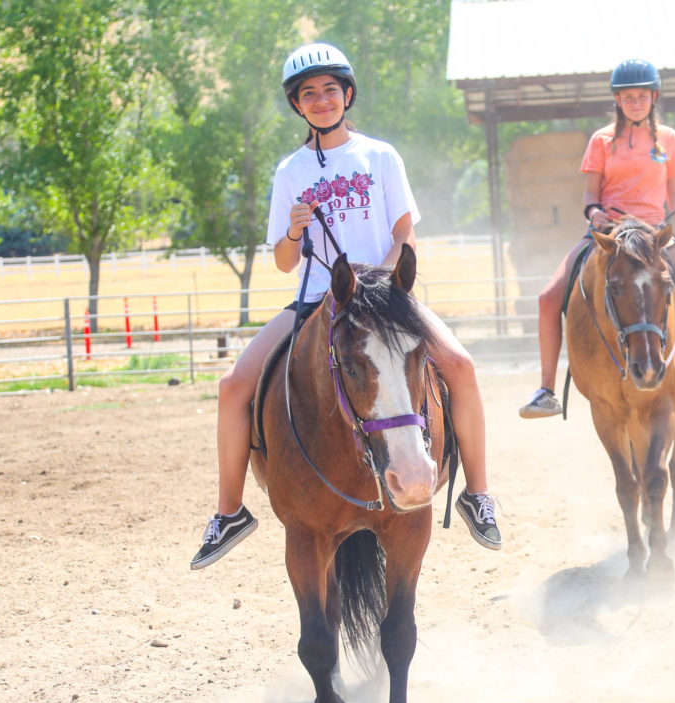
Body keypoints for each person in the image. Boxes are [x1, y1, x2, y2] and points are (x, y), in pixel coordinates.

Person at [191, 43, 503, 570]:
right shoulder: (289, 170)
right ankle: (229, 512)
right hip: (317, 300)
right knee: (233, 387)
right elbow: (285, 263)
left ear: (347, 95)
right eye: (308, 94)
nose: (321, 100)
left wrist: (377, 288)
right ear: (297, 105)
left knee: (462, 367)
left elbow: (403, 235)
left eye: (330, 90)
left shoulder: (380, 156)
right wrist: (293, 229)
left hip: (385, 299)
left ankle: (478, 493)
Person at [519, 58, 675, 418]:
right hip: (610, 237)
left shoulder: (669, 138)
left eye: (642, 96)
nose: (635, 102)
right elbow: (590, 195)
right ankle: (546, 389)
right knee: (548, 297)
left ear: (653, 97)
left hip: (655, 236)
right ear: (617, 100)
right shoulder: (601, 140)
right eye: (628, 97)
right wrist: (594, 214)